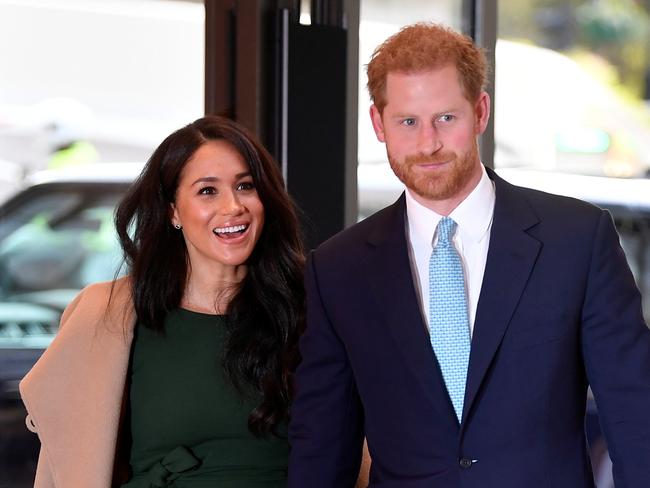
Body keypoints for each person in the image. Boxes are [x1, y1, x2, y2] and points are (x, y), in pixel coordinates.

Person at [288, 22, 650, 487]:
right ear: (378, 124)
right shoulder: (338, 268)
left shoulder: (577, 239)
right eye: (407, 122)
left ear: (480, 112)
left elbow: (634, 412)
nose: (428, 143)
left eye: (446, 118)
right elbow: (322, 443)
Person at [20, 115, 305, 487]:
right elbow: (69, 461)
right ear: (172, 210)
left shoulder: (309, 306)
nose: (233, 206)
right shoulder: (112, 316)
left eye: (246, 186)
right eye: (207, 191)